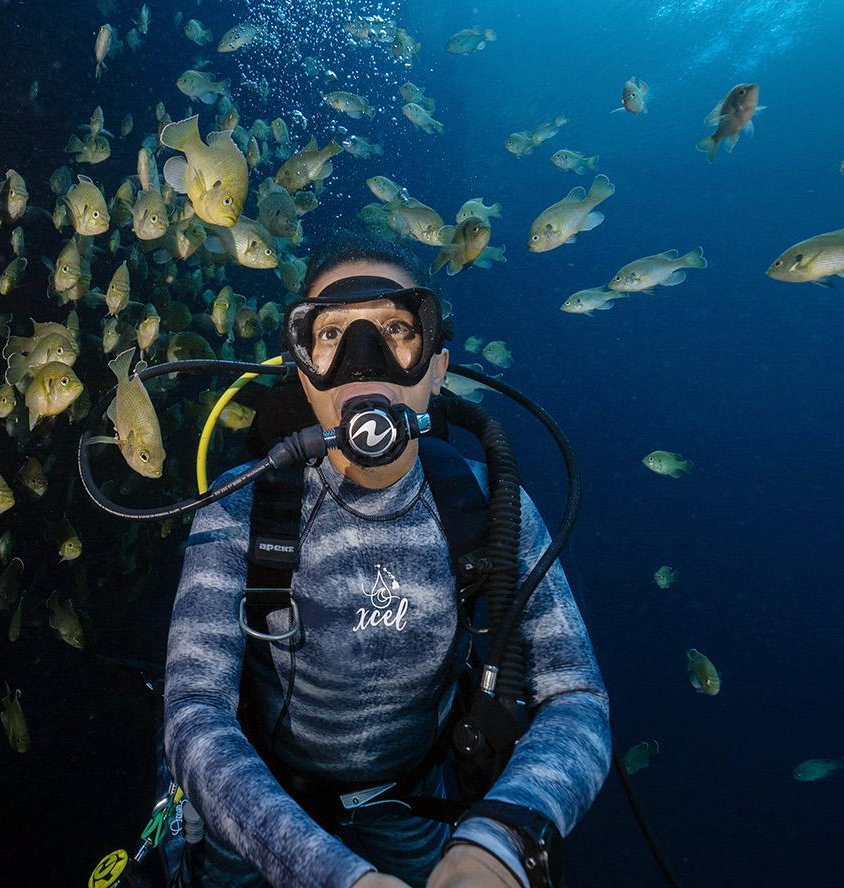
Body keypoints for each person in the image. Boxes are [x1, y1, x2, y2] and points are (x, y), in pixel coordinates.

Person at [160, 230, 610, 888]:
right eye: (332, 334)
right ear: (303, 369)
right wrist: (327, 872)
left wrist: (498, 844)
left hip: (411, 800)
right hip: (258, 806)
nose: (361, 363)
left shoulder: (494, 507)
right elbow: (194, 711)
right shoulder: (236, 512)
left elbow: (579, 698)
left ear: (435, 366)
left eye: (395, 329)